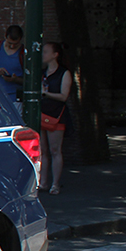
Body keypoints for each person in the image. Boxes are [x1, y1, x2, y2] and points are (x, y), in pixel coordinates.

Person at [38, 41, 73, 195]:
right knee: (43, 151)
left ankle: (55, 184)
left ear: (55, 55)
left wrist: (45, 93)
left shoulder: (64, 73)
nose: (43, 54)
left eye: (46, 52)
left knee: (55, 150)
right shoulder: (43, 72)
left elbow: (64, 96)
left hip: (56, 114)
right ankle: (44, 182)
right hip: (43, 112)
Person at [0, 25, 25, 111]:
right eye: (9, 43)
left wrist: (16, 79)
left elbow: (30, 81)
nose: (12, 47)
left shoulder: (23, 53)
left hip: (15, 98)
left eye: (16, 44)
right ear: (5, 37)